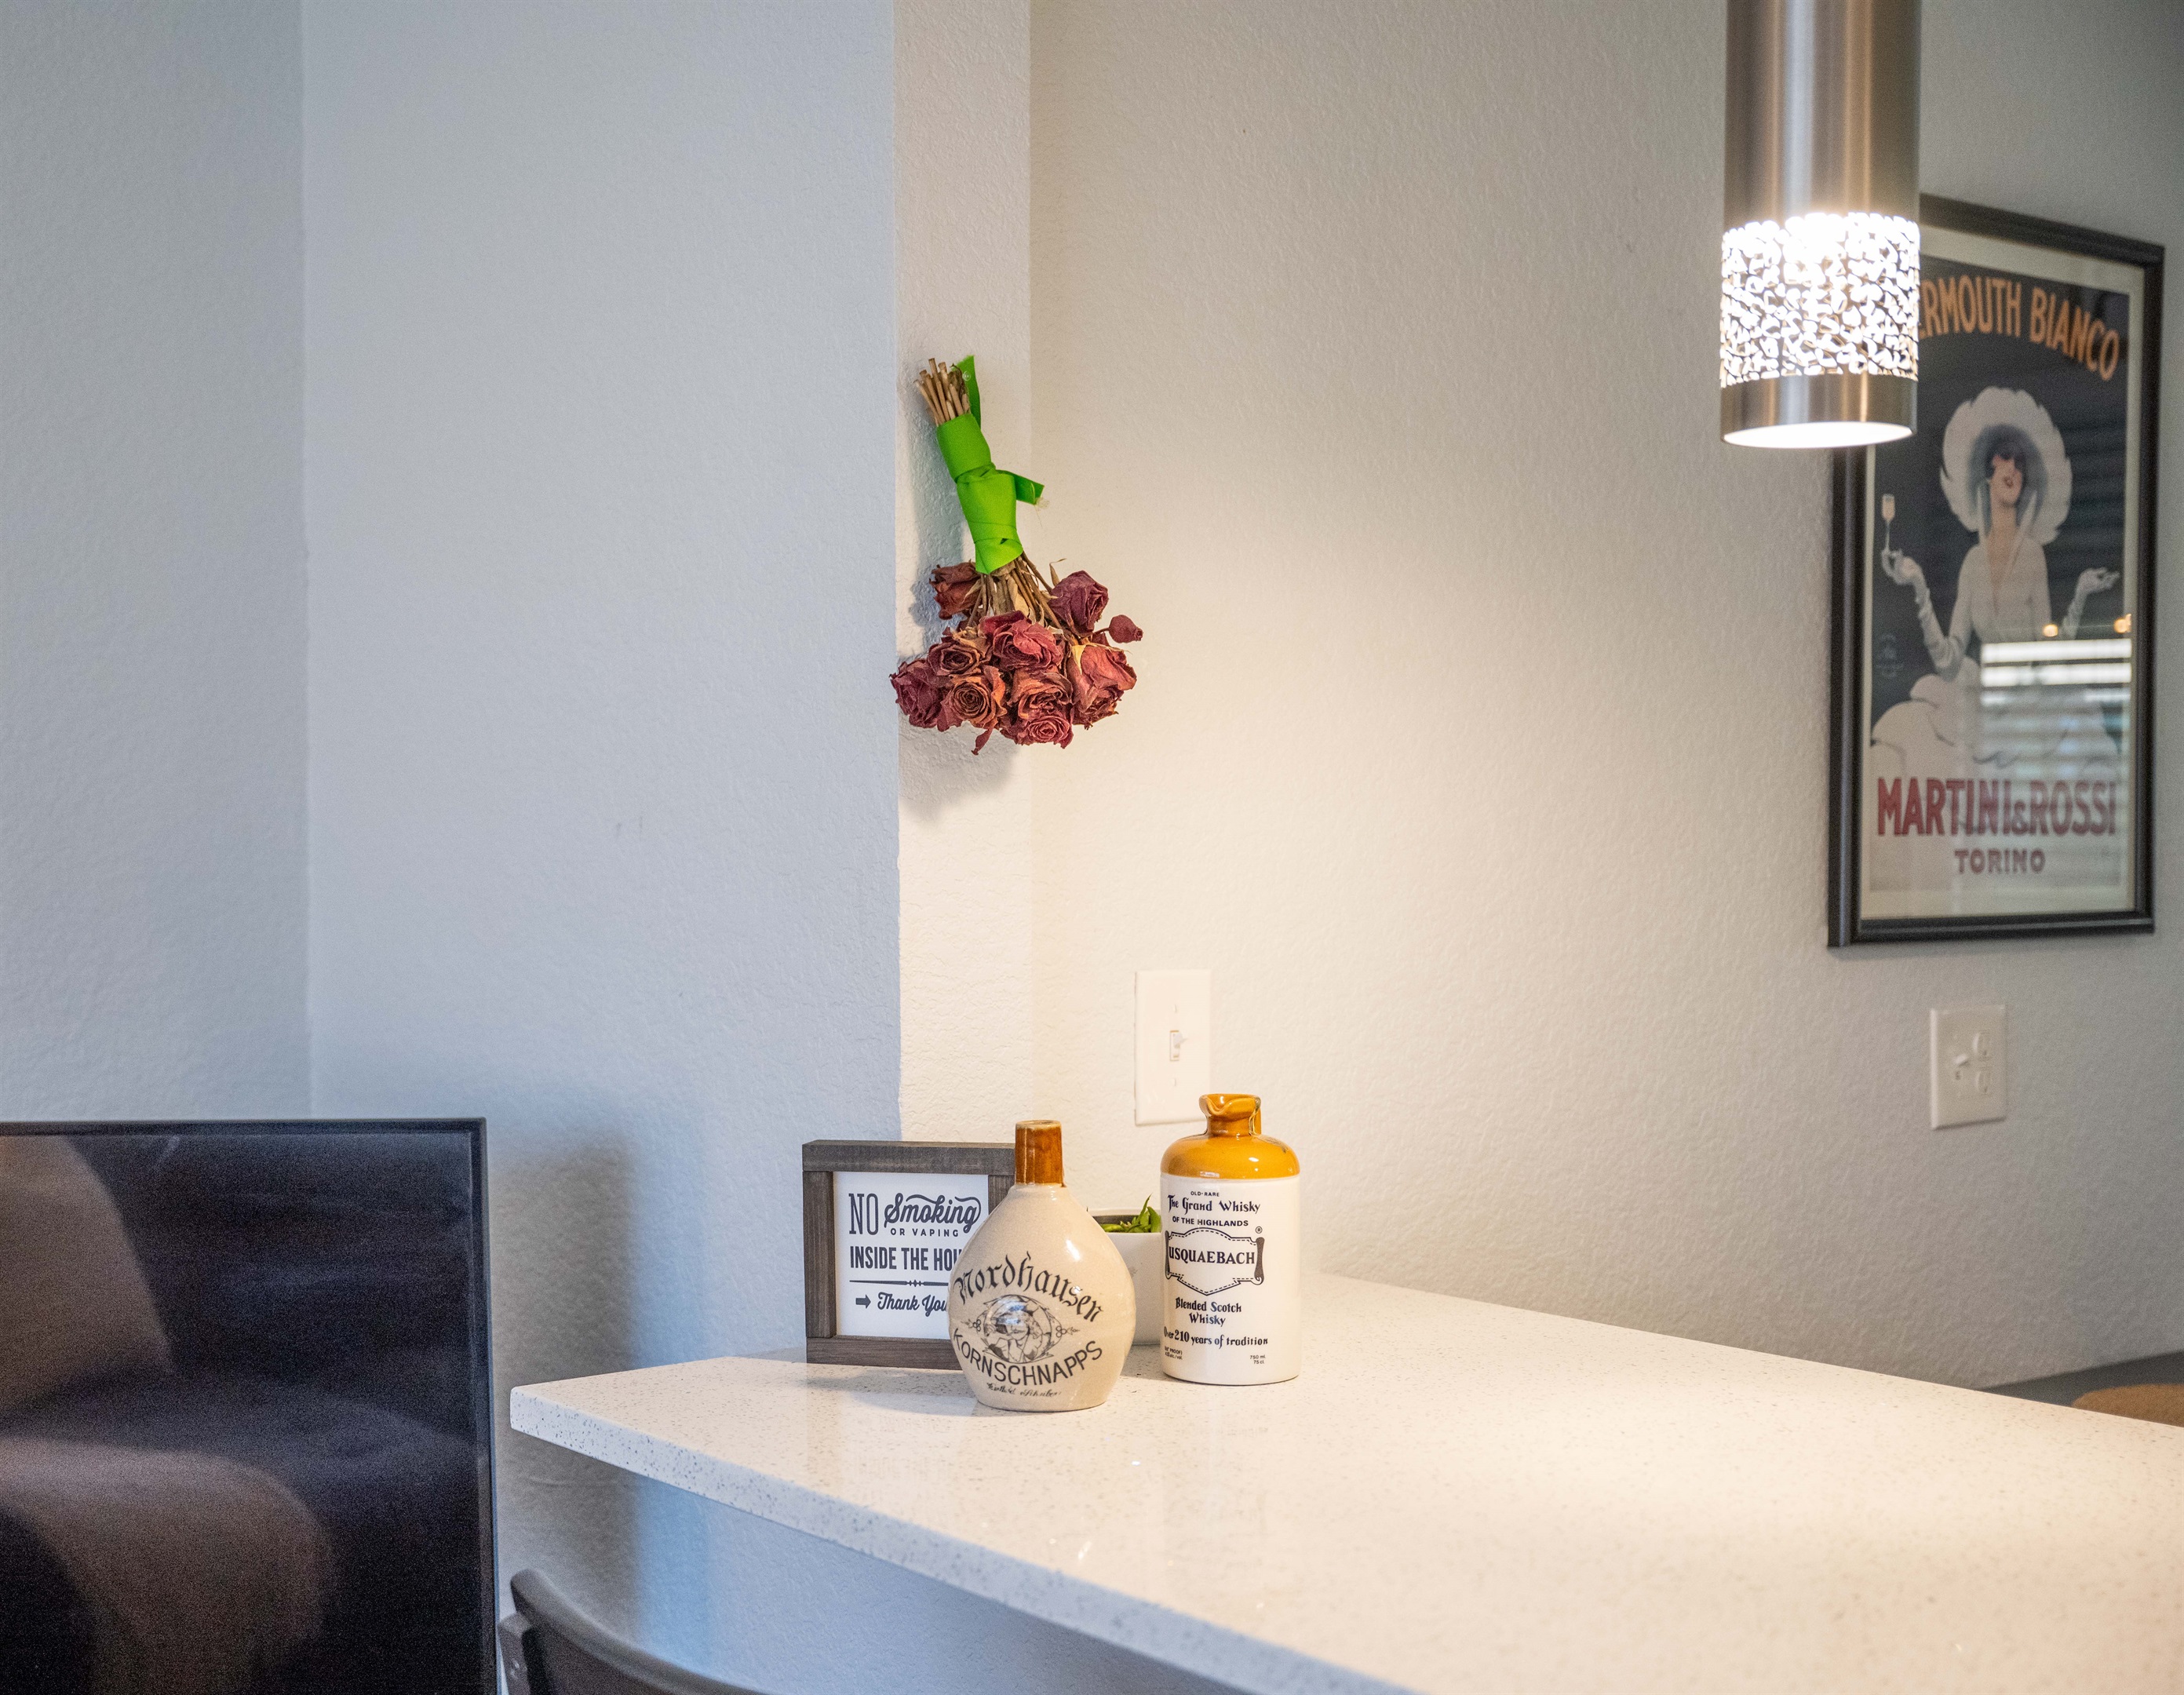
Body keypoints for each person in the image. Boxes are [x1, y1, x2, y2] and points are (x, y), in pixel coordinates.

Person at [1866, 387, 2122, 895]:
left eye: (2019, 466)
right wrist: (1917, 585)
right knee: (1905, 744)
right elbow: (1946, 658)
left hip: (2026, 702)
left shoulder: (2033, 557)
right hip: (1975, 696)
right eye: (2003, 463)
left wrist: (2080, 597)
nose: (2011, 472)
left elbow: (2047, 650)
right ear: (1987, 475)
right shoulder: (1968, 563)